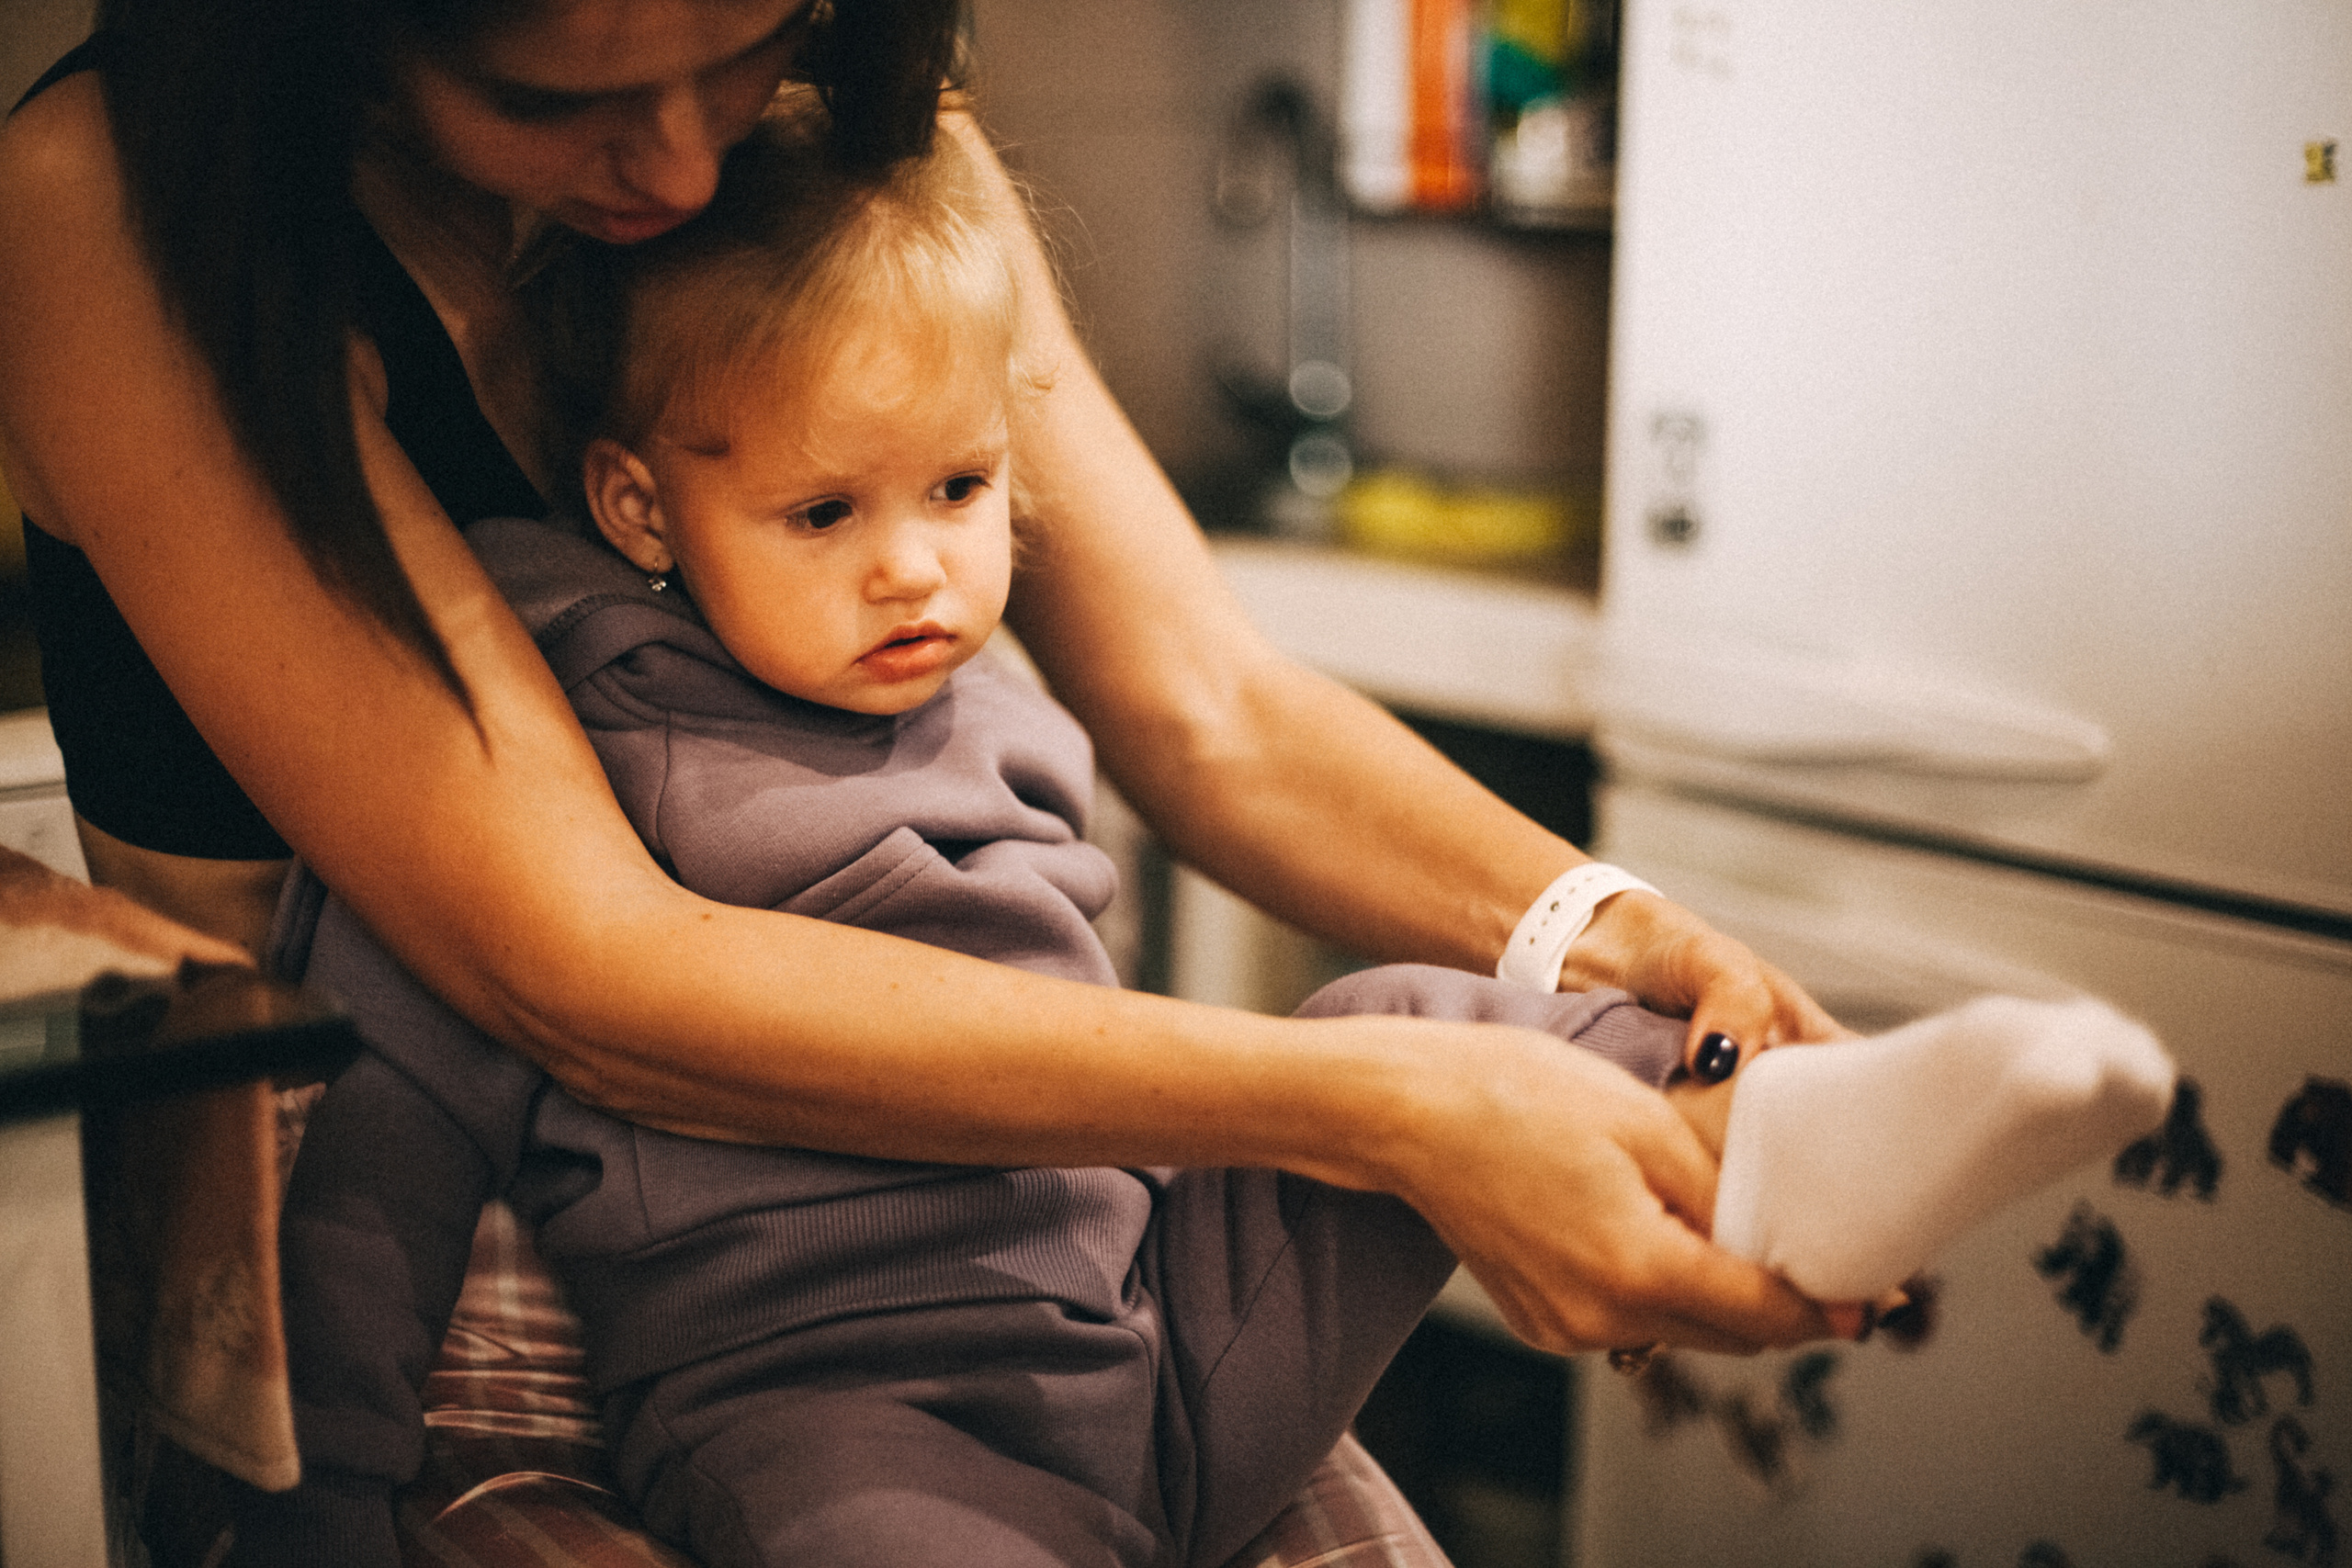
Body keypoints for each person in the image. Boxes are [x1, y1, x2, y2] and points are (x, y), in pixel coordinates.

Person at [2, 0, 1845, 1492]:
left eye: (740, 41)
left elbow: (1209, 705)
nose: (675, 157)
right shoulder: (122, 205)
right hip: (448, 1300)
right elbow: (583, 970)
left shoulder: (849, 145)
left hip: (1029, 1246)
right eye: (548, 91)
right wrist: (1399, 1115)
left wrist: (1606, 943)